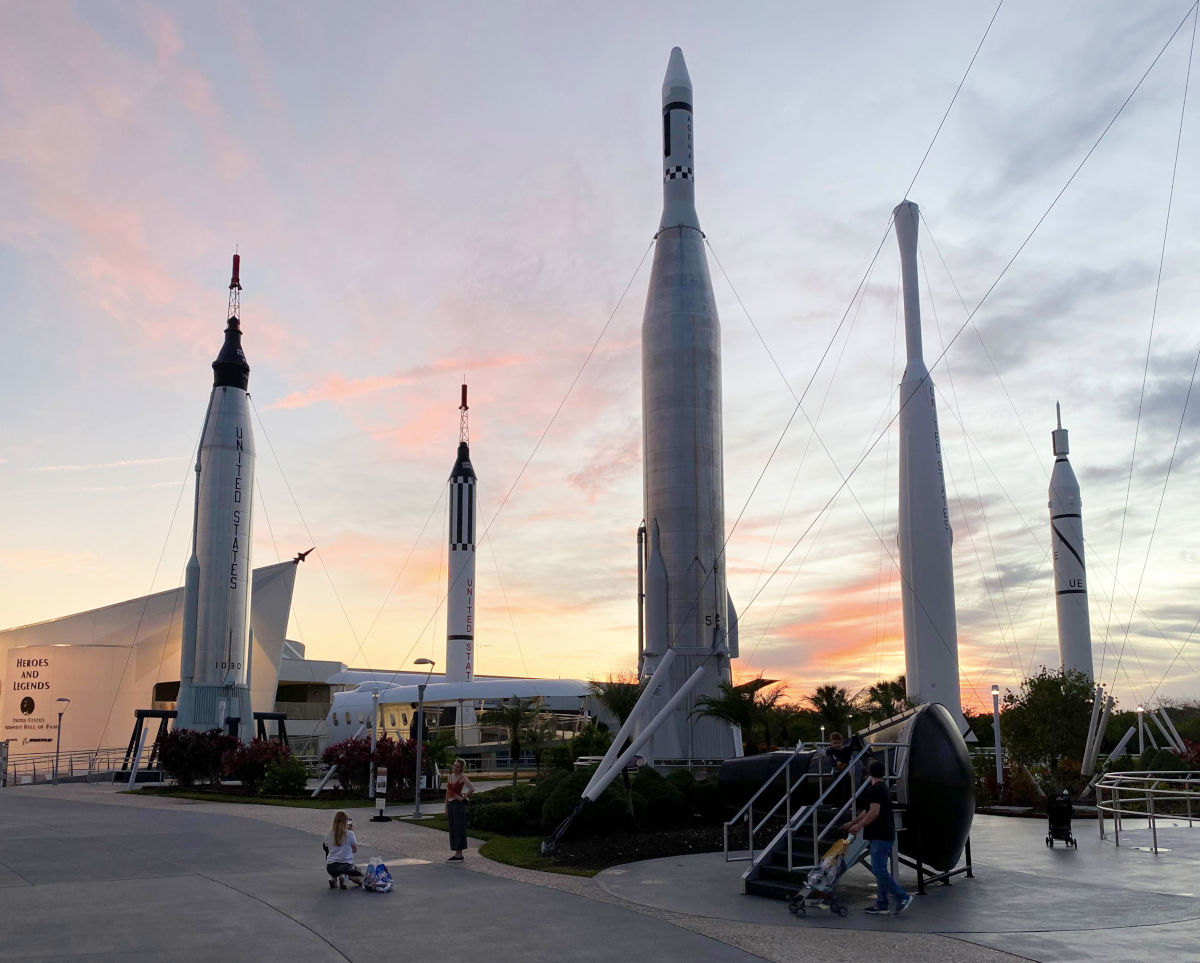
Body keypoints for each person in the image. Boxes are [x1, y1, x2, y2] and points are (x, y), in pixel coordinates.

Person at [843, 759, 911, 915]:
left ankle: (902, 896)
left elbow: (874, 812)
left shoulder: (875, 789)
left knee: (878, 869)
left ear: (868, 773)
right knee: (880, 870)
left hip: (880, 834)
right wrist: (853, 822)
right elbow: (867, 811)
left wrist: (857, 827)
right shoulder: (881, 788)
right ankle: (882, 904)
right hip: (882, 834)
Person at [444, 757, 475, 861]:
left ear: (461, 768)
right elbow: (447, 792)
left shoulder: (462, 778)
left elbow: (472, 788)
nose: (455, 768)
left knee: (459, 829)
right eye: (454, 765)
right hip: (451, 804)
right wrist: (446, 807)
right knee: (452, 828)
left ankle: (459, 854)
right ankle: (456, 853)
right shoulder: (450, 776)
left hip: (458, 805)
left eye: (457, 766)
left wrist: (463, 797)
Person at [322, 811, 363, 889]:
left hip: (331, 867)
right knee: (360, 876)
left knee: (328, 851)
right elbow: (355, 850)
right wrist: (351, 831)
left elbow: (326, 847)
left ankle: (332, 877)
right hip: (346, 866)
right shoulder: (350, 834)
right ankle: (345, 877)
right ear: (346, 822)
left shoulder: (328, 834)